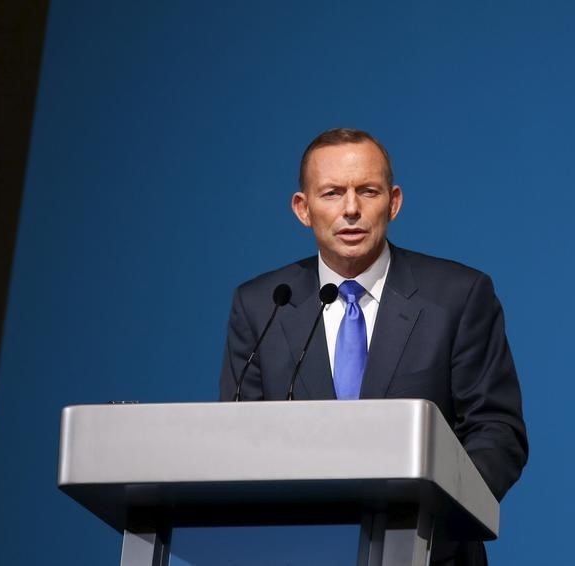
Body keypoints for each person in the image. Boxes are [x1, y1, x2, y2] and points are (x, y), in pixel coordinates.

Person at [218, 128, 528, 565]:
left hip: (428, 552)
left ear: (394, 202)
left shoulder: (457, 296)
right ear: (302, 209)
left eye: (367, 191)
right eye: (331, 193)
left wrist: (428, 520)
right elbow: (238, 441)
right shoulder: (263, 304)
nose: (350, 209)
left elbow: (496, 432)